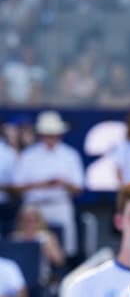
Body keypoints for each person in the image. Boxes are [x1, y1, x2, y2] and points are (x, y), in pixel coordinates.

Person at [12, 110, 84, 259]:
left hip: (59, 205)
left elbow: (78, 188)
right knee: (28, 246)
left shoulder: (70, 155)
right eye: (48, 134)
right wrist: (41, 184)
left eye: (54, 134)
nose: (51, 137)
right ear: (41, 134)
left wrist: (63, 184)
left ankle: (61, 269)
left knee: (66, 249)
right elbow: (16, 188)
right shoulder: (28, 156)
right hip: (34, 207)